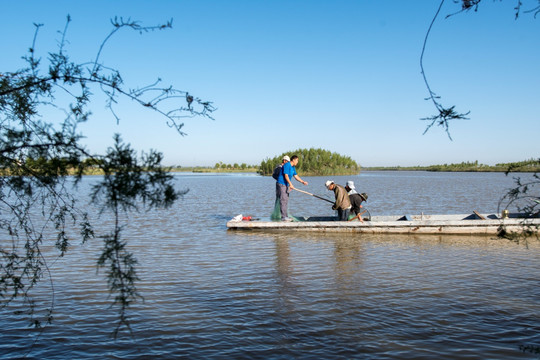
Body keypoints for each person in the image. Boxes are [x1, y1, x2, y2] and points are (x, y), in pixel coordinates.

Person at [276, 155, 308, 221]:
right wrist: (291, 184)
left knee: (286, 200)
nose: (297, 162)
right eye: (297, 160)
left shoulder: (293, 167)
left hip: (286, 184)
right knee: (283, 200)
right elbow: (286, 176)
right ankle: (284, 217)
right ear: (293, 160)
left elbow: (296, 176)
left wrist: (303, 182)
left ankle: (286, 216)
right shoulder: (287, 165)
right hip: (281, 184)